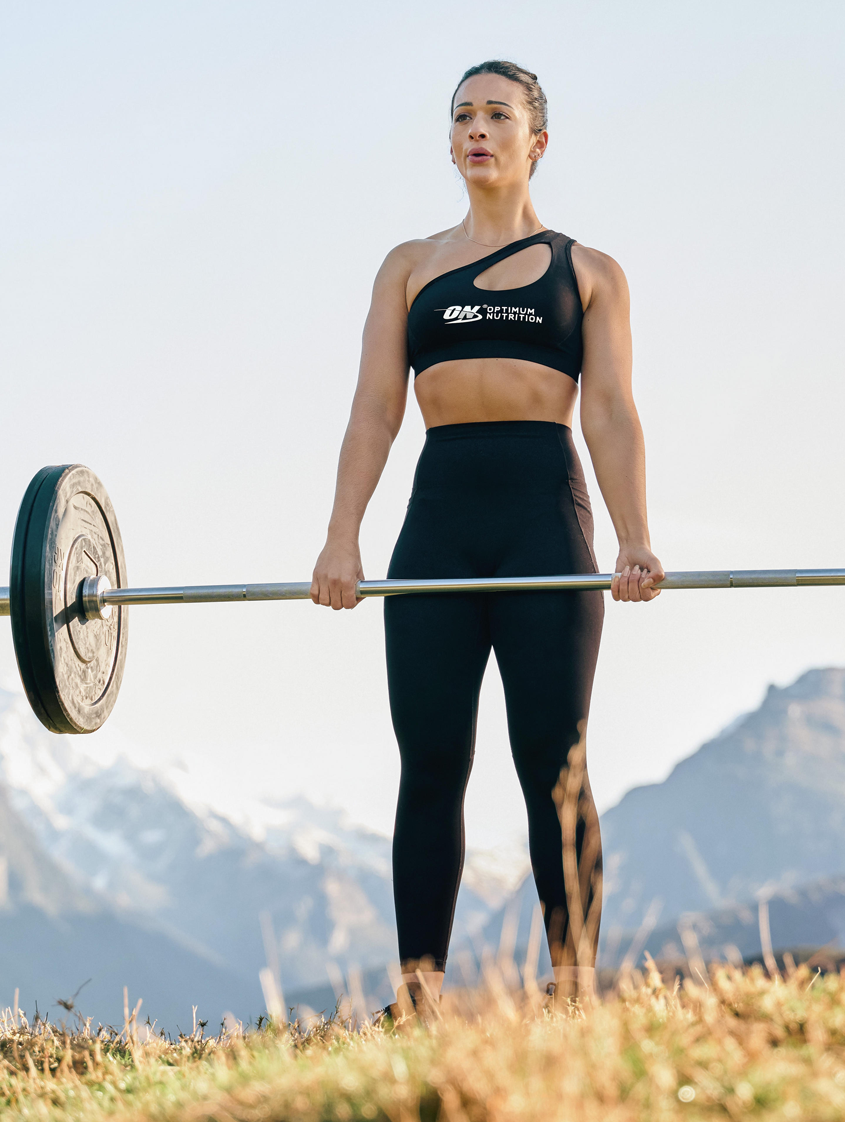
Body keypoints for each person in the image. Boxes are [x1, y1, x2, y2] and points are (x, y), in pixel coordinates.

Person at [311, 59, 663, 1015]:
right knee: (430, 763)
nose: (477, 130)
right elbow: (376, 409)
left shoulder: (590, 273)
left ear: (536, 141)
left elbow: (614, 416)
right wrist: (342, 539)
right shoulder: (409, 266)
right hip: (439, 520)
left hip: (545, 517)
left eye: (497, 115)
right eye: (462, 116)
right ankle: (418, 995)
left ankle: (573, 989)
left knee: (554, 762)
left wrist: (633, 538)